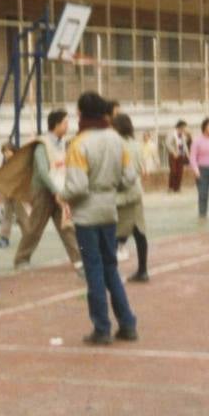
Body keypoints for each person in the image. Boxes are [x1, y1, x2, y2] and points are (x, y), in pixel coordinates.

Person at [57, 91, 138, 344]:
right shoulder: (117, 140)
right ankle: (127, 324)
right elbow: (129, 178)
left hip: (85, 217)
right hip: (109, 211)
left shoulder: (78, 144)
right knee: (110, 267)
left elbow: (78, 186)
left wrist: (62, 194)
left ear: (81, 113)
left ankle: (101, 327)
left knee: (93, 270)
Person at [13, 109, 81, 274]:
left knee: (66, 225)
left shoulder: (62, 144)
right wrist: (55, 191)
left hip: (59, 192)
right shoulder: (42, 144)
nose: (67, 126)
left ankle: (78, 259)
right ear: (56, 124)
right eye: (65, 122)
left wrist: (61, 191)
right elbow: (43, 172)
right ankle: (21, 259)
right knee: (35, 227)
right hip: (43, 192)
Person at [112, 113, 150, 282]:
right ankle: (143, 270)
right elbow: (142, 168)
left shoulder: (116, 145)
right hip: (136, 193)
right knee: (139, 233)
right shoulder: (137, 145)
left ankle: (110, 273)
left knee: (116, 234)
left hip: (121, 194)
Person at [165, 119, 189, 193]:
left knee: (180, 172)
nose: (185, 129)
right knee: (173, 171)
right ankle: (171, 187)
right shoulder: (172, 134)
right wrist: (173, 152)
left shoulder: (183, 136)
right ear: (180, 127)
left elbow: (184, 145)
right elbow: (168, 143)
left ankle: (177, 188)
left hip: (181, 155)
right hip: (173, 155)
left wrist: (188, 154)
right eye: (184, 127)